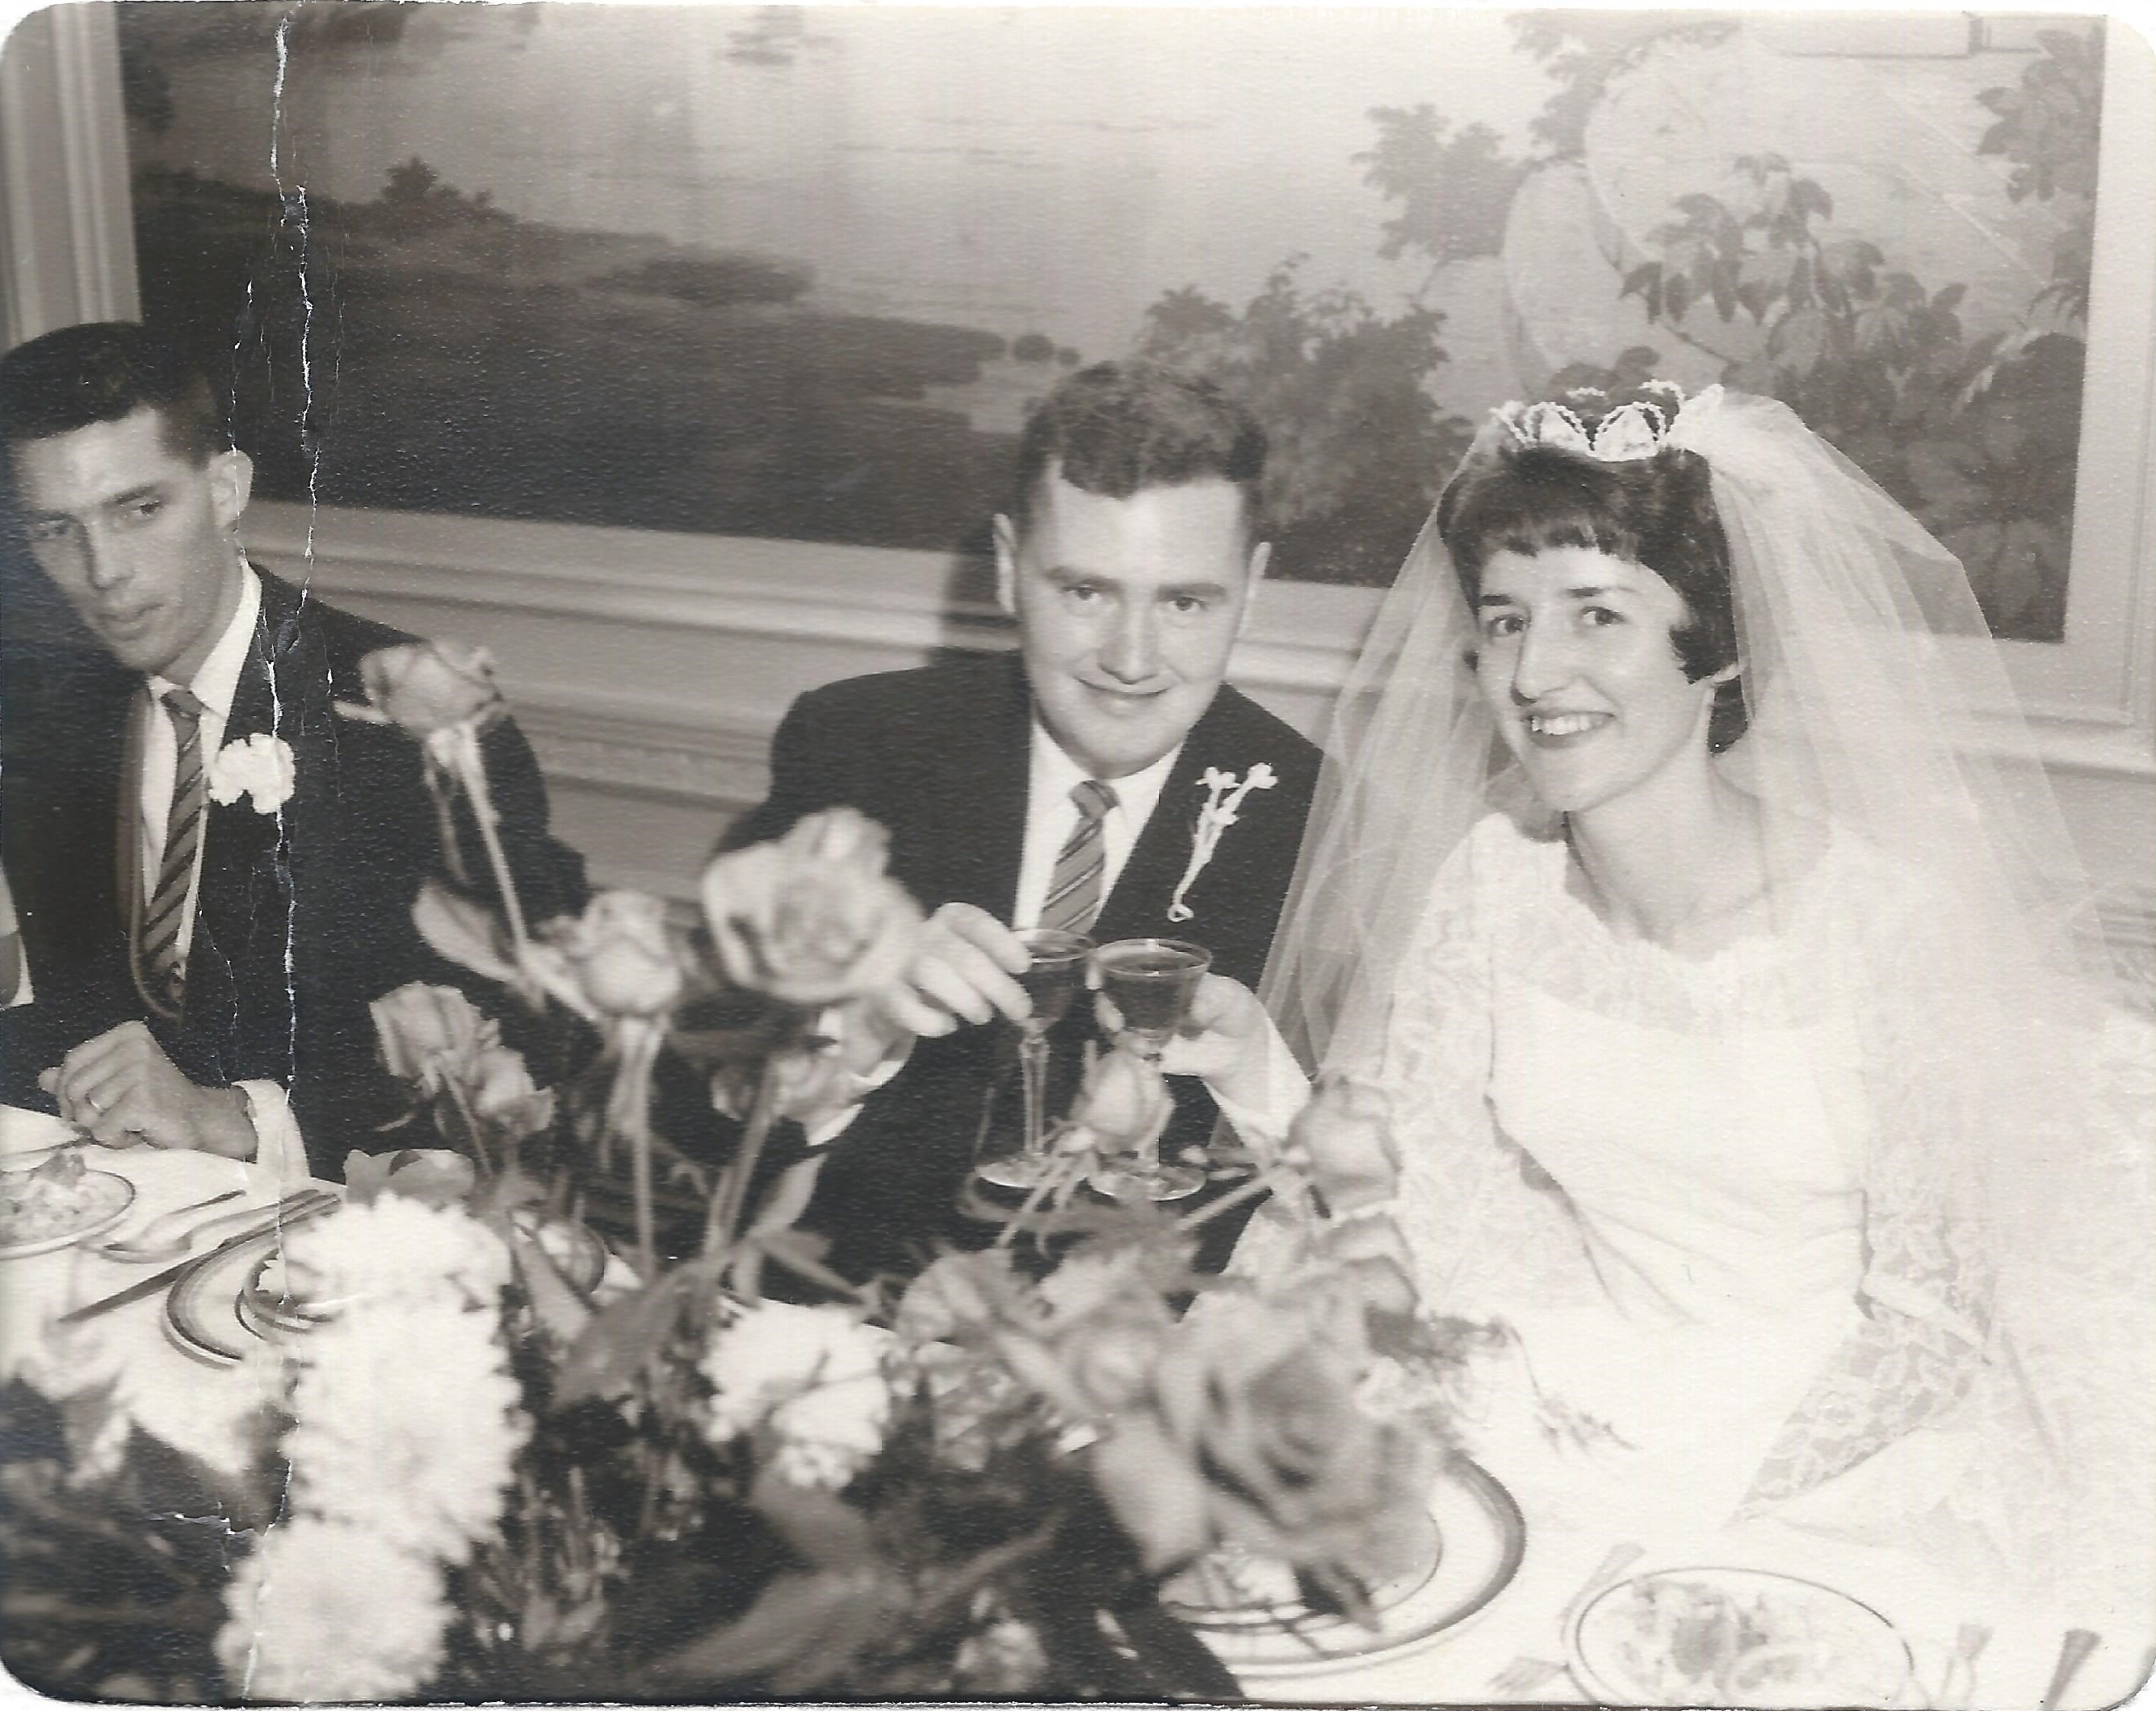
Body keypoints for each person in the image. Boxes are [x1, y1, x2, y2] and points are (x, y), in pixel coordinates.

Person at [1167, 383, 2153, 1622]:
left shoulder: (1885, 923)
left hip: (1836, 1451)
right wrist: (1256, 1070)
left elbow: (1925, 1336)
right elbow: (1406, 1208)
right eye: (1505, 619)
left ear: (1719, 647)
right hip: (1586, 1391)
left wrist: (1679, 1503)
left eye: (1598, 616)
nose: (1536, 671)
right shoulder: (1490, 879)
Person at [724, 361, 1321, 1285]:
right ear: (1008, 569)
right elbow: (700, 1110)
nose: (1131, 659)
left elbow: (1348, 1197)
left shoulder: (1323, 819)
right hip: (834, 1323)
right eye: (1086, 592)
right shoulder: (855, 745)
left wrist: (1256, 1076)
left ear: (1255, 585)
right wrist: (859, 1022)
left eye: (1186, 602)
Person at [0, 321, 585, 1180]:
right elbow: (69, 1000)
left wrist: (238, 1118)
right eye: (56, 530)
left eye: (139, 509)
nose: (104, 571)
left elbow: (530, 1035)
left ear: (226, 488)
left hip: (342, 1220)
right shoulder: (48, 712)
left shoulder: (410, 721)